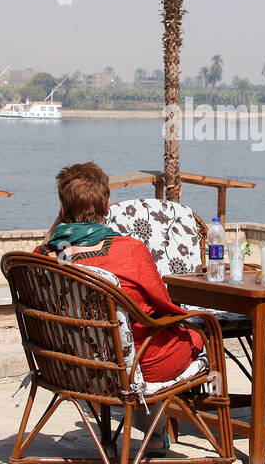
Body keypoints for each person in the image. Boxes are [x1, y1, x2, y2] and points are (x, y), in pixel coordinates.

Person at [34, 161, 203, 385]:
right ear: (107, 206)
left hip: (69, 366)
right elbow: (164, 306)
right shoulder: (128, 251)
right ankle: (179, 414)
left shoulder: (43, 258)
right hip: (136, 367)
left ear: (62, 209)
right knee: (201, 335)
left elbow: (49, 244)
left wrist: (61, 219)